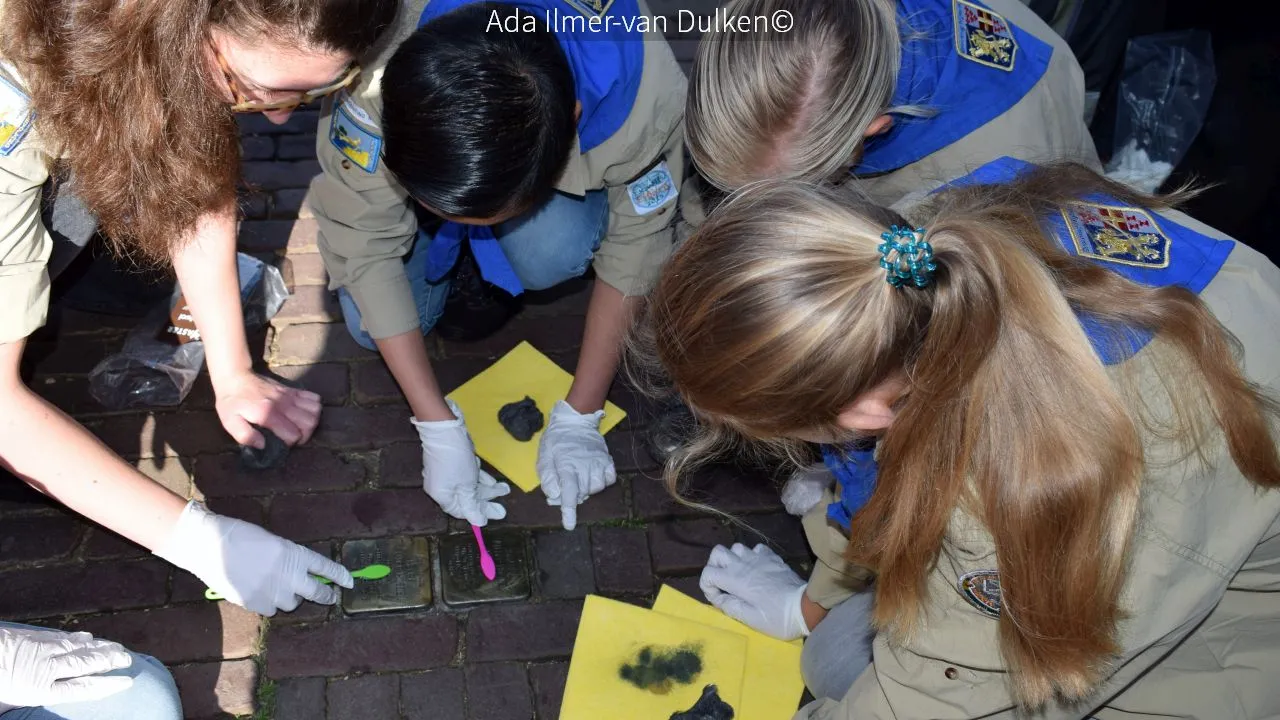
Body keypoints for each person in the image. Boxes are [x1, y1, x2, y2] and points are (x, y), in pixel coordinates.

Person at [638, 157, 1280, 718]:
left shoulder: (1023, 489)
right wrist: (811, 603)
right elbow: (866, 471)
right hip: (1165, 507)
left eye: (786, 435)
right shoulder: (900, 258)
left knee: (844, 670)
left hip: (1230, 631)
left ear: (865, 413)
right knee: (837, 656)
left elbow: (940, 702)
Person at [0, 0, 397, 715]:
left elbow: (195, 177)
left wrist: (233, 372)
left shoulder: (169, 42)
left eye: (308, 95)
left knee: (134, 256)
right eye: (256, 90)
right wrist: (197, 539)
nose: (280, 117)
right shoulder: (10, 110)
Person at [309, 0, 686, 530]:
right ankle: (463, 242)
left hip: (555, 151)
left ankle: (499, 252)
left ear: (571, 122)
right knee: (370, 324)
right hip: (463, 160)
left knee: (552, 251)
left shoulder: (645, 95)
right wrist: (435, 424)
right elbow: (361, 241)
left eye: (486, 216)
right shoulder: (374, 67)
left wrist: (582, 415)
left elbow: (639, 244)